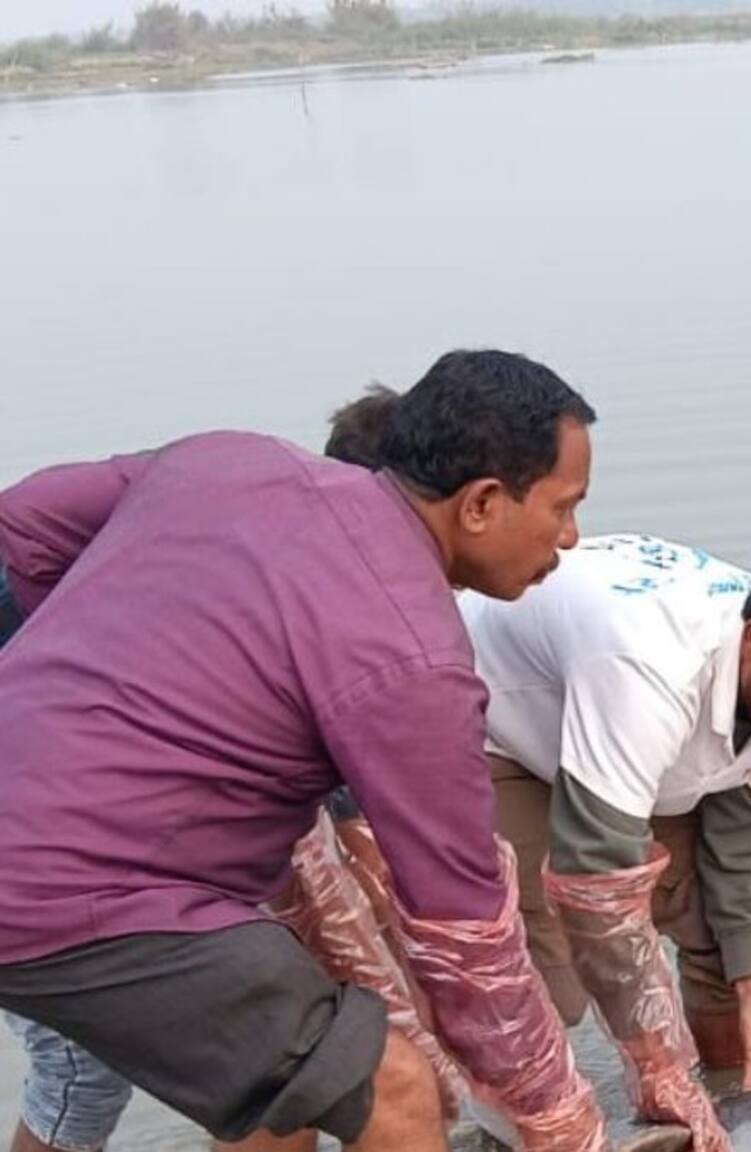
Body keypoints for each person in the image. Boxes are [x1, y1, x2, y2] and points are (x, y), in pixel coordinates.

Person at [0, 351, 625, 1152]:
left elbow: (22, 526)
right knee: (393, 1087)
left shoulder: (227, 462)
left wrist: (85, 667)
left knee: (294, 1090)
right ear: (482, 504)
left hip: (74, 853)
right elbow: (468, 940)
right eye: (564, 508)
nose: (571, 539)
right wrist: (561, 1119)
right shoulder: (414, 659)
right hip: (85, 888)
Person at [1, 385, 457, 1152]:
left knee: (298, 1054)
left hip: (77, 835)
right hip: (49, 863)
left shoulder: (252, 551)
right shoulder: (300, 583)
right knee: (81, 1068)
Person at [461, 534, 751, 1110]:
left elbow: (746, 829)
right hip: (502, 731)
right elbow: (598, 882)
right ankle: (517, 1131)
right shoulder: (650, 667)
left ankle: (733, 1108)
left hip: (635, 745)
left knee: (725, 948)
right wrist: (658, 1062)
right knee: (542, 990)